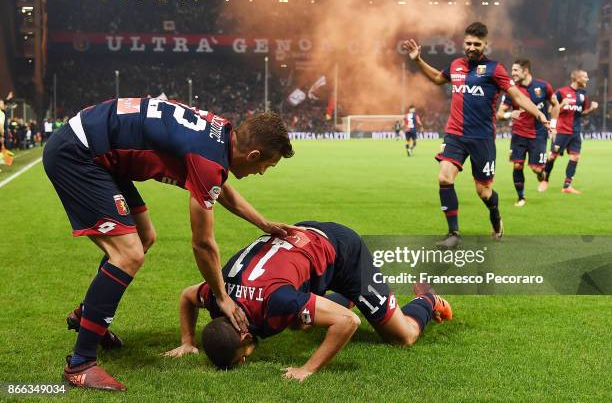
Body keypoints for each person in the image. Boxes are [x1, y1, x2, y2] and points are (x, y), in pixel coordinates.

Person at [43, 97, 295, 391]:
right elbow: (203, 244)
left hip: (98, 150)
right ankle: (80, 364)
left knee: (144, 236)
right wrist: (222, 296)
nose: (263, 172)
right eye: (267, 165)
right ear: (253, 155)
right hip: (79, 153)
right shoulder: (209, 159)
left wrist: (263, 223)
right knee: (128, 254)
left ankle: (89, 315)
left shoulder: (220, 132)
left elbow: (217, 184)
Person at [164, 221, 453, 382]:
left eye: (243, 355)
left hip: (345, 253)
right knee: (299, 322)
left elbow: (348, 322)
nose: (247, 357)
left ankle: (427, 298)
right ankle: (344, 298)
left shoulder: (275, 301)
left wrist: (307, 369)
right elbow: (188, 296)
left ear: (245, 335)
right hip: (302, 242)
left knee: (402, 336)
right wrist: (187, 341)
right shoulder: (219, 297)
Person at [402, 22, 549, 247]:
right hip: (455, 135)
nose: (472, 47)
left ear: (485, 45)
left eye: (477, 44)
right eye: (468, 43)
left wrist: (539, 114)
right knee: (444, 177)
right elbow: (437, 78)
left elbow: (518, 97)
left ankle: (496, 215)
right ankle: (453, 233)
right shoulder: (456, 65)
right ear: (464, 43)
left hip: (482, 139)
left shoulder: (495, 69)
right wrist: (417, 60)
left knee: (484, 192)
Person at [497, 59, 559, 206]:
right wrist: (508, 115)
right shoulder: (512, 91)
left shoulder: (543, 86)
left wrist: (553, 125)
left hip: (538, 134)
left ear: (526, 71)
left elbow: (555, 104)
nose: (512, 73)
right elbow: (499, 113)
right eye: (512, 70)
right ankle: (521, 198)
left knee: (536, 168)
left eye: (516, 70)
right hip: (518, 134)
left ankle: (541, 174)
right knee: (517, 166)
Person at [538, 70, 598, 194]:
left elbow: (581, 113)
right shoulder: (561, 92)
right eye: (585, 77)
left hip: (575, 132)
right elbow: (550, 109)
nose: (587, 79)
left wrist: (591, 109)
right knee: (552, 156)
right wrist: (561, 104)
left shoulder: (582, 95)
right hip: (561, 131)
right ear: (577, 78)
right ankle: (545, 180)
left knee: (575, 157)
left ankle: (567, 186)